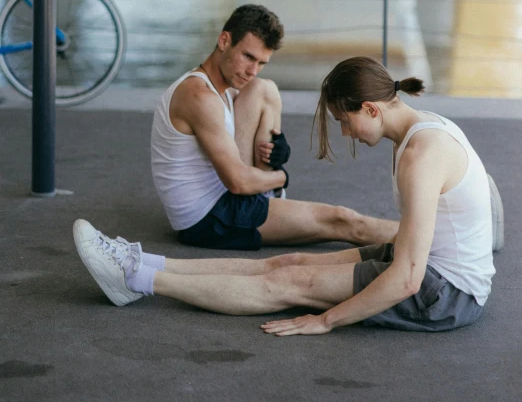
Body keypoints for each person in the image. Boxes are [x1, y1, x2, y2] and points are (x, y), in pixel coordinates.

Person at [73, 56, 500, 334]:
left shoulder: (420, 154)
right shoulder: (422, 128)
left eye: (344, 121)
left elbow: (408, 278)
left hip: (446, 294)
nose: (346, 132)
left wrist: (327, 320)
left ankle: (134, 279)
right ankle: (140, 259)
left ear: (370, 108)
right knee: (287, 261)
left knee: (288, 283)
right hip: (431, 268)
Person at [150, 3, 398, 250]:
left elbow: (249, 121)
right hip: (209, 218)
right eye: (248, 57)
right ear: (224, 41)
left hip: (228, 195)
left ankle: (268, 192)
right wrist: (280, 176)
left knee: (263, 88)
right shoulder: (200, 97)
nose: (251, 70)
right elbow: (238, 183)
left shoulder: (222, 87)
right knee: (342, 220)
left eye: (261, 62)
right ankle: (427, 242)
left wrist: (279, 149)